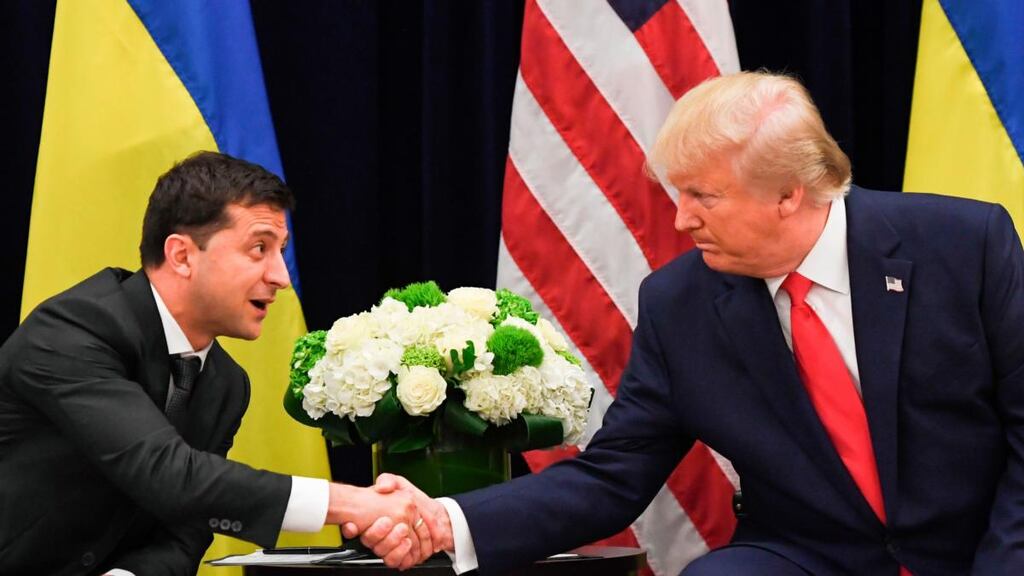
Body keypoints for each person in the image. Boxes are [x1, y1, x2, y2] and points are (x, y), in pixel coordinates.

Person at [369, 71, 1024, 575]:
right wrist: (446, 519)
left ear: (788, 193)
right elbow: (612, 477)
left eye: (703, 197)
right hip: (806, 557)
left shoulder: (964, 246)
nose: (682, 220)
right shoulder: (678, 303)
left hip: (982, 545)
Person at [0, 152, 431, 575]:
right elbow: (166, 471)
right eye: (259, 248)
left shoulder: (226, 383)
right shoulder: (73, 330)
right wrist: (355, 504)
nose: (280, 276)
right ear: (182, 255)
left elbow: (186, 533)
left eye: (281, 250)